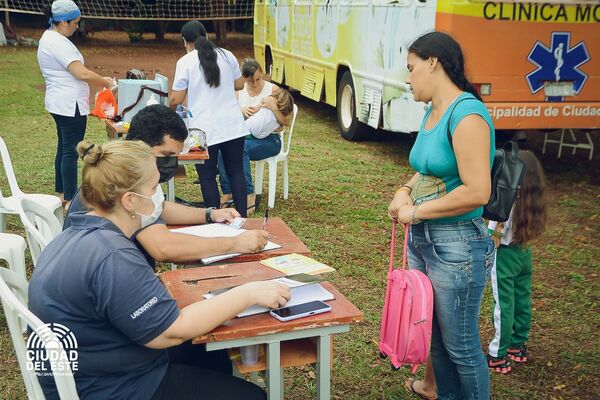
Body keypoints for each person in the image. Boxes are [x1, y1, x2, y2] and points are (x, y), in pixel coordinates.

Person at [29, 139, 291, 400]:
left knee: (209, 351)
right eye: (154, 187)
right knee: (252, 396)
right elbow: (171, 331)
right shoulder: (114, 256)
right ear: (130, 200)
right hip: (115, 388)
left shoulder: (78, 231)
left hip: (94, 368)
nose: (159, 197)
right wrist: (248, 293)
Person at [388, 32, 495, 400]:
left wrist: (415, 211)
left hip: (457, 246)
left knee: (462, 348)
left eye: (411, 68)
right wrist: (404, 189)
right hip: (425, 241)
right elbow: (427, 168)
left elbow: (477, 190)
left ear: (433, 62)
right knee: (434, 341)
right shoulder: (433, 111)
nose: (407, 78)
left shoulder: (467, 114)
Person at [65, 104, 269, 265]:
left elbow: (159, 206)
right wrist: (235, 243)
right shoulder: (126, 182)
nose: (172, 163)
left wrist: (210, 214)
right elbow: (163, 247)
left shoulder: (129, 170)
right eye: (166, 155)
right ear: (141, 146)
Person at [38, 0, 115, 210]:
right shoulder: (58, 42)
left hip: (59, 102)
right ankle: (70, 199)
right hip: (68, 103)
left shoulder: (50, 38)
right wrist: (105, 82)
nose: (77, 27)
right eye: (75, 23)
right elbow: (80, 73)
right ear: (62, 22)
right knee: (71, 150)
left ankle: (63, 193)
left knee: (64, 147)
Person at [169, 21, 249, 216]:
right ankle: (243, 218)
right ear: (206, 35)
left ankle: (215, 219)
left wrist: (170, 107)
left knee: (206, 176)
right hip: (232, 125)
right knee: (236, 171)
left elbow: (176, 98)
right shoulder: (226, 55)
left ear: (185, 42)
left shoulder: (185, 61)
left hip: (201, 130)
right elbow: (239, 84)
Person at [487, 150, 547, 373]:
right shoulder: (533, 199)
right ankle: (518, 345)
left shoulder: (508, 197)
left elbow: (492, 230)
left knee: (504, 305)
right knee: (522, 298)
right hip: (524, 253)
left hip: (504, 255)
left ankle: (498, 354)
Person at [218, 58, 289, 211]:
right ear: (244, 78)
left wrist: (273, 108)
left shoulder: (273, 90)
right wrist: (239, 110)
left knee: (240, 148)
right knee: (223, 147)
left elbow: (286, 121)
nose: (256, 84)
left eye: (258, 79)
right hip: (244, 135)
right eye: (251, 81)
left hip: (270, 140)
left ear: (262, 73)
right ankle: (228, 191)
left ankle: (249, 194)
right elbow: (226, 115)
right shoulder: (238, 90)